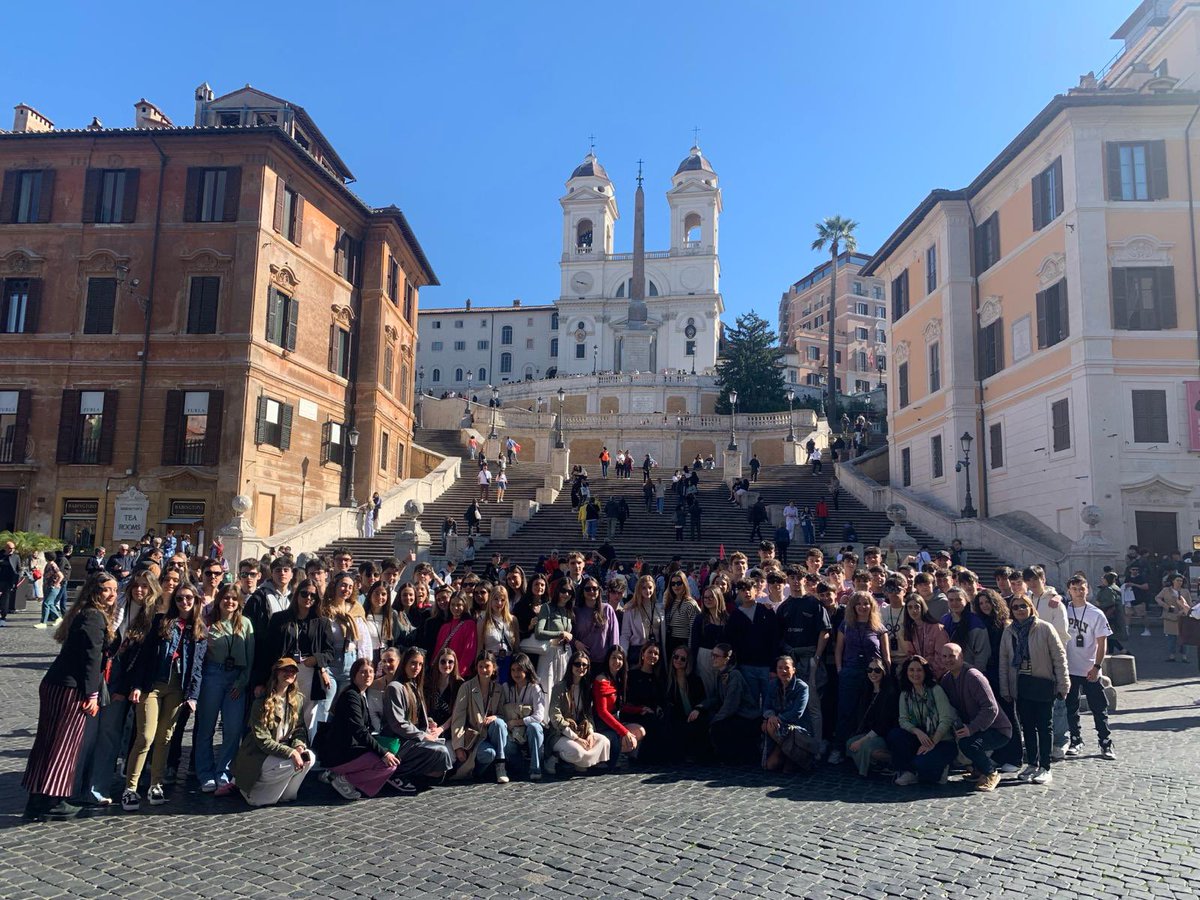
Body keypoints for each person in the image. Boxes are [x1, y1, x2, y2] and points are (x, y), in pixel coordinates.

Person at [22, 573, 119, 820]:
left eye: (114, 590)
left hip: (58, 684)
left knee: (48, 741)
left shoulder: (85, 613)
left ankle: (38, 796)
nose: (111, 595)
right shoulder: (93, 617)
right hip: (70, 688)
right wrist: (93, 695)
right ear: (94, 590)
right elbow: (91, 659)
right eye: (106, 589)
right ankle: (54, 800)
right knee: (63, 745)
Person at [121, 582, 208, 811]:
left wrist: (193, 696)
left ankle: (155, 785)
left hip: (178, 689)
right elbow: (145, 656)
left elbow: (197, 667)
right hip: (153, 685)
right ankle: (130, 788)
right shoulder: (162, 622)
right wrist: (137, 685)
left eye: (189, 598)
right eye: (180, 598)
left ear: (196, 600)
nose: (185, 602)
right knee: (146, 737)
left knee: (165, 738)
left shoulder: (199, 629)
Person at [998, 593, 1069, 784]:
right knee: (1027, 726)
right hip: (1020, 682)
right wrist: (1005, 688)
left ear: (1031, 607)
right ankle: (1032, 763)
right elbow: (1003, 661)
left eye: (1023, 606)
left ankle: (1045, 766)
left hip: (1042, 681)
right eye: (1016, 607)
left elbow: (1059, 657)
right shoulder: (1009, 631)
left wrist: (1064, 683)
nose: (1020, 610)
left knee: (1045, 726)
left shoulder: (1045, 628)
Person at [194, 584, 255, 793]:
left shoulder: (245, 624)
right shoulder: (209, 623)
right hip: (213, 675)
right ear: (219, 600)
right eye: (226, 598)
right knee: (206, 727)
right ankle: (204, 772)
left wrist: (242, 682)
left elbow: (250, 657)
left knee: (232, 729)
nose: (230, 602)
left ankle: (224, 772)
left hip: (236, 679)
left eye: (234, 599)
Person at [231, 658, 315, 806]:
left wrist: (299, 746)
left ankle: (287, 794)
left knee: (309, 758)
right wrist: (291, 753)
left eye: (293, 671)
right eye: (285, 670)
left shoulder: (298, 700)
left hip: (282, 750)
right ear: (276, 673)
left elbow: (299, 728)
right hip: (259, 753)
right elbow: (262, 740)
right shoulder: (261, 702)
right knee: (290, 764)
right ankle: (254, 793)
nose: (289, 674)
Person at [255, 578, 332, 741]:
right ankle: (279, 748)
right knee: (281, 711)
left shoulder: (322, 622)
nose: (308, 598)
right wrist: (261, 681)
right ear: (297, 595)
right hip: (284, 670)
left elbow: (329, 652)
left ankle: (303, 749)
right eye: (304, 594)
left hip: (309, 672)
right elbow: (266, 651)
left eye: (313, 595)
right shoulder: (279, 619)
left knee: (308, 715)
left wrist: (315, 659)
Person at [321, 658, 402, 800]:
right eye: (363, 672)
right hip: (341, 753)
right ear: (354, 675)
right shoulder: (352, 696)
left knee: (391, 754)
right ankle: (345, 779)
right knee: (388, 765)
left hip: (345, 749)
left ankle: (336, 775)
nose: (368, 675)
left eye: (370, 671)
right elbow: (359, 730)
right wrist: (383, 753)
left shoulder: (360, 695)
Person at [937, 643, 1012, 792]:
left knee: (968, 744)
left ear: (961, 656)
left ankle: (991, 773)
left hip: (998, 730)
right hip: (976, 728)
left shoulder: (974, 677)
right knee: (964, 742)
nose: (947, 660)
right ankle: (979, 770)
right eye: (944, 656)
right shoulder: (947, 679)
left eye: (952, 655)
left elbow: (991, 708)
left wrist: (971, 728)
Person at [833, 592, 891, 763]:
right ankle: (839, 748)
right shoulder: (846, 624)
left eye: (866, 603)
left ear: (872, 605)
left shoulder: (879, 627)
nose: (862, 607)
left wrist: (886, 677)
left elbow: (886, 656)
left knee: (867, 711)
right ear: (853, 606)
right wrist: (840, 669)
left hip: (873, 673)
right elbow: (839, 649)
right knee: (846, 711)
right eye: (858, 604)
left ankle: (863, 749)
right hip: (850, 672)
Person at [1063, 575, 1116, 760]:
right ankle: (1075, 740)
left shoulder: (1096, 613)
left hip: (1089, 668)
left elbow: (1102, 643)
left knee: (1098, 707)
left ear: (1088, 589)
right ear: (1069, 590)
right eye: (1075, 588)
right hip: (1069, 668)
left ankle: (1105, 742)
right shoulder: (1063, 610)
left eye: (1082, 588)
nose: (1078, 591)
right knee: (1071, 707)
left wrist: (1097, 666)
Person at [887, 656, 957, 786]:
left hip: (942, 741)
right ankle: (909, 771)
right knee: (895, 735)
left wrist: (931, 742)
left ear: (925, 672)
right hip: (921, 737)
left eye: (919, 670)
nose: (915, 674)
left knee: (926, 773)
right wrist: (917, 731)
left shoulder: (936, 690)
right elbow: (903, 720)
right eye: (911, 670)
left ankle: (940, 767)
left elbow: (946, 720)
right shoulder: (905, 694)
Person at [691, 643, 760, 763]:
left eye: (716, 656)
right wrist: (700, 707)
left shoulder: (734, 675)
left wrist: (714, 720)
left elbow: (730, 705)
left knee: (717, 727)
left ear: (726, 658)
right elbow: (717, 698)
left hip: (745, 717)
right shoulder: (721, 674)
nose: (713, 658)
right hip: (732, 715)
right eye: (712, 655)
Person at [451, 651, 511, 783]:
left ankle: (501, 766)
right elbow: (458, 717)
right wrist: (458, 746)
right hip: (476, 738)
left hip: (493, 734)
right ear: (476, 668)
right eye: (480, 666)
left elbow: (503, 715)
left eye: (487, 666)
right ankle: (479, 772)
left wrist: (495, 717)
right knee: (488, 754)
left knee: (499, 723)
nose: (484, 670)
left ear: (494, 667)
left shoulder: (499, 689)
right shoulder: (466, 687)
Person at [593, 646, 645, 768]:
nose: (617, 661)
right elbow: (602, 712)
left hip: (614, 721)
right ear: (608, 659)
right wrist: (624, 731)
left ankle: (628, 757)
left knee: (640, 730)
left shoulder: (619, 679)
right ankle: (609, 757)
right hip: (601, 725)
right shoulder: (601, 679)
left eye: (620, 658)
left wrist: (640, 709)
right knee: (617, 738)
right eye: (613, 657)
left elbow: (619, 706)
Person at [845, 659, 899, 777]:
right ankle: (874, 765)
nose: (873, 673)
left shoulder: (889, 693)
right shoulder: (867, 690)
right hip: (870, 732)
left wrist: (862, 740)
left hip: (884, 734)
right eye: (869, 670)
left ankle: (896, 762)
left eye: (877, 670)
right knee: (850, 743)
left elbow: (884, 724)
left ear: (883, 672)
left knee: (865, 747)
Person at [760, 655, 813, 772]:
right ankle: (789, 756)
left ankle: (792, 757)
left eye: (787, 668)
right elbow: (766, 707)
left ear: (793, 670)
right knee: (770, 766)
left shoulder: (802, 687)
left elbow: (797, 713)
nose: (783, 671)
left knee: (770, 725)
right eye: (780, 668)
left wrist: (776, 719)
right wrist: (770, 717)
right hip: (778, 727)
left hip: (796, 728)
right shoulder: (772, 684)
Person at [501, 653, 547, 780]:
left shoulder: (535, 688)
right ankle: (517, 767)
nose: (516, 673)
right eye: (513, 670)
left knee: (534, 728)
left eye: (519, 669)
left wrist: (517, 722)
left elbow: (538, 716)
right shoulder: (506, 688)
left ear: (527, 669)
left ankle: (535, 767)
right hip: (512, 732)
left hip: (528, 730)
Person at [534, 580, 575, 700]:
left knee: (563, 688)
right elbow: (539, 632)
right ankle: (545, 718)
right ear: (557, 590)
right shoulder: (547, 607)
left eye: (569, 591)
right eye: (563, 591)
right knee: (547, 687)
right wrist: (560, 633)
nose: (566, 594)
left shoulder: (569, 610)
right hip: (550, 653)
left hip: (566, 653)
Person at [690, 586, 730, 696]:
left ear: (718, 598)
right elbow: (694, 642)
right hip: (705, 657)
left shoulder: (727, 618)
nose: (708, 600)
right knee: (708, 689)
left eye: (711, 597)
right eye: (705, 597)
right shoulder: (700, 619)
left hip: (722, 657)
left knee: (722, 688)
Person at [941, 588, 989, 672]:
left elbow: (982, 654)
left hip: (969, 672)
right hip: (947, 672)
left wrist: (976, 673)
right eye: (951, 600)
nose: (954, 603)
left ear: (966, 600)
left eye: (958, 600)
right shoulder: (944, 621)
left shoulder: (976, 623)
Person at [619, 574, 662, 664]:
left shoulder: (660, 608)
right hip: (637, 650)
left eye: (650, 587)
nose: (647, 590)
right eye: (644, 588)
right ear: (639, 589)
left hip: (655, 651)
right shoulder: (630, 609)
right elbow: (625, 634)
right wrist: (623, 654)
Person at [573, 577, 618, 662]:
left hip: (603, 661)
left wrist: (613, 657)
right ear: (582, 591)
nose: (591, 591)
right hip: (581, 662)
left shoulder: (607, 609)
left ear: (599, 590)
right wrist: (576, 643)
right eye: (587, 589)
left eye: (594, 588)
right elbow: (571, 634)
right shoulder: (576, 611)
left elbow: (614, 637)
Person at [435, 593, 479, 678]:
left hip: (458, 675)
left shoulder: (469, 624)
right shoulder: (445, 627)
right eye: (453, 604)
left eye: (459, 605)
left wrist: (458, 674)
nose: (455, 608)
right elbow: (437, 651)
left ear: (465, 606)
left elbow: (469, 652)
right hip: (442, 674)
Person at [1156, 574, 1193, 663]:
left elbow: (1189, 604)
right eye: (1177, 580)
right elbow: (1157, 598)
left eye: (1181, 581)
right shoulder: (1166, 590)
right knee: (1171, 638)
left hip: (1183, 618)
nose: (1179, 582)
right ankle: (1171, 655)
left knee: (1184, 638)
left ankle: (1184, 656)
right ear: (1173, 581)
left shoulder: (1185, 591)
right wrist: (1166, 606)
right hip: (1170, 617)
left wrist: (1184, 611)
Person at [1094, 571, 1129, 655]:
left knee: (1109, 635)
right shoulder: (1114, 587)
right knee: (1110, 635)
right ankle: (1116, 651)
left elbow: (1109, 602)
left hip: (1108, 615)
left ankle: (1119, 651)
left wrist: (1099, 604)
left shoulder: (1108, 589)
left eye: (1103, 578)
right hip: (1114, 615)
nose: (1102, 580)